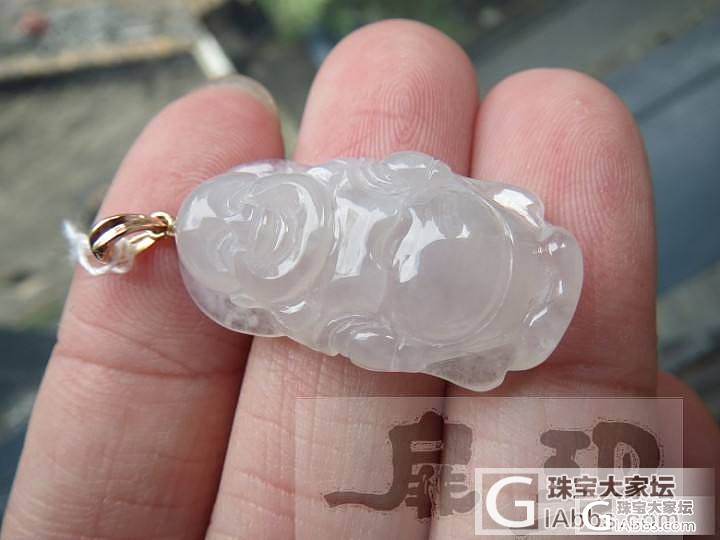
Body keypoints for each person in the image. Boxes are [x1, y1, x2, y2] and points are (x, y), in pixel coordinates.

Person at [2, 20, 718, 539]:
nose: (256, 226)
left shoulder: (344, 190)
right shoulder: (309, 310)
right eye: (244, 246)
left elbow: (412, 177)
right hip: (444, 312)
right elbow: (374, 342)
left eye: (249, 209)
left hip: (496, 252)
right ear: (251, 296)